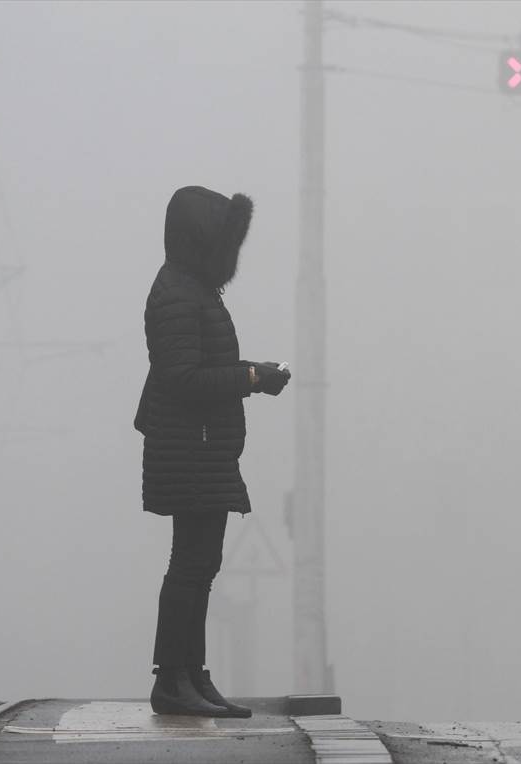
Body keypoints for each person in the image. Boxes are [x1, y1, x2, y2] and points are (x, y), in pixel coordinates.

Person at [134, 185, 291, 717]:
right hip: (190, 450)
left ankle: (192, 676)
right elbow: (181, 376)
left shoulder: (191, 289)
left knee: (200, 565)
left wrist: (251, 372)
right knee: (190, 565)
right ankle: (173, 680)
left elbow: (191, 364)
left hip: (199, 450)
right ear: (199, 240)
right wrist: (251, 376)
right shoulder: (180, 293)